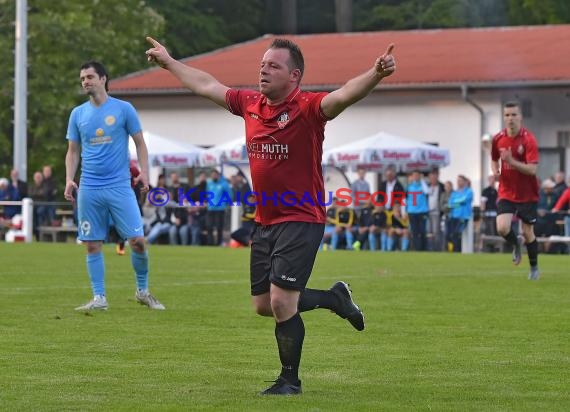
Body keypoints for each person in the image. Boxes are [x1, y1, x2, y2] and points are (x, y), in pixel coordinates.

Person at [146, 36, 395, 394]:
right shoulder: (249, 103)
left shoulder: (308, 108)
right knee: (264, 305)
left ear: (294, 76)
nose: (263, 69)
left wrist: (375, 73)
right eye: (262, 64)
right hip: (264, 221)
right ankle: (334, 299)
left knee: (281, 301)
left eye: (273, 65)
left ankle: (289, 381)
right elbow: (205, 84)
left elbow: (344, 95)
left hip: (302, 218)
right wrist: (169, 61)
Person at [64, 60, 165, 311]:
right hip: (90, 187)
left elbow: (140, 143)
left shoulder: (123, 109)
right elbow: (73, 151)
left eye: (89, 77)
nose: (85, 81)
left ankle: (142, 291)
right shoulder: (78, 114)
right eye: (82, 78)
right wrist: (69, 178)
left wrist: (144, 173)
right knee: (91, 243)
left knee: (138, 241)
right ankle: (99, 298)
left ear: (103, 78)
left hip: (120, 186)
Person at [491, 101, 540, 280]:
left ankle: (534, 267)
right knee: (502, 228)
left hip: (527, 195)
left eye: (513, 115)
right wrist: (495, 170)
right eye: (507, 115)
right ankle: (515, 243)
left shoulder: (528, 139)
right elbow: (494, 159)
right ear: (503, 117)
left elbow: (532, 170)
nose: (510, 118)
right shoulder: (498, 139)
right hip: (506, 191)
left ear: (520, 117)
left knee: (528, 233)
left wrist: (511, 162)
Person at [446, 174, 474, 252]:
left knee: (457, 234)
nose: (458, 182)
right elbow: (450, 204)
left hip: (464, 217)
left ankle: (458, 251)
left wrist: (456, 203)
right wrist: (459, 203)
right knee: (451, 235)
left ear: (465, 182)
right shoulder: (454, 193)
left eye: (460, 181)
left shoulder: (469, 191)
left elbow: (464, 200)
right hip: (454, 216)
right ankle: (453, 251)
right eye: (458, 181)